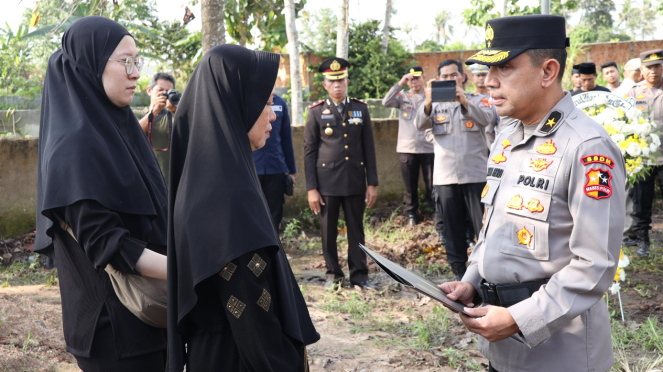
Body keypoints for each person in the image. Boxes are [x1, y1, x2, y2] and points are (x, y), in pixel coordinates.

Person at [441, 15, 625, 372]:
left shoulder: (586, 148)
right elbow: (493, 228)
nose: (489, 81)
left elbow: (594, 264)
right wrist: (471, 281)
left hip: (559, 355)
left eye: (505, 68)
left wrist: (519, 318)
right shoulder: (508, 135)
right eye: (488, 69)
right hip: (504, 349)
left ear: (548, 71)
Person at [166, 44, 319, 371]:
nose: (274, 114)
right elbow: (251, 314)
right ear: (236, 106)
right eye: (265, 103)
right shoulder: (226, 197)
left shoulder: (210, 181)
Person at [34, 16, 169, 371]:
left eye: (137, 61)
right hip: (114, 332)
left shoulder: (120, 127)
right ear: (90, 65)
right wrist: (187, 268)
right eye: (125, 61)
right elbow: (109, 243)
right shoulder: (74, 147)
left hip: (150, 318)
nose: (136, 73)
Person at [415, 59, 495, 281]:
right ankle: (459, 272)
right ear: (438, 80)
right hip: (446, 177)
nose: (449, 80)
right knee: (452, 228)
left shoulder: (478, 100)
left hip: (475, 174)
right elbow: (419, 125)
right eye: (444, 77)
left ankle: (484, 271)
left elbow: (487, 119)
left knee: (483, 228)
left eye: (454, 75)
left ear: (463, 77)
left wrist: (464, 102)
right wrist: (429, 101)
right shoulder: (432, 105)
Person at [304, 57, 379, 291]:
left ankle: (360, 276)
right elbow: (309, 152)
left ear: (347, 82)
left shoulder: (360, 109)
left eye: (341, 81)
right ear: (325, 84)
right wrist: (311, 189)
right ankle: (333, 274)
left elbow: (369, 148)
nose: (337, 85)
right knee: (328, 233)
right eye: (332, 82)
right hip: (326, 184)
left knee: (356, 231)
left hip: (355, 180)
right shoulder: (316, 112)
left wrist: (372, 183)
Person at [382, 66, 434, 227]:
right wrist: (400, 83)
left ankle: (436, 213)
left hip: (429, 147)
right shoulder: (403, 96)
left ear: (424, 78)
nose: (414, 82)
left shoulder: (430, 96)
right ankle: (412, 214)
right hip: (407, 149)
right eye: (411, 79)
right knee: (409, 186)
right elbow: (386, 102)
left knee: (433, 184)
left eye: (417, 78)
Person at [625, 49, 663, 257]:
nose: (653, 71)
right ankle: (643, 242)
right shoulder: (633, 92)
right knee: (641, 204)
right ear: (642, 70)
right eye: (649, 67)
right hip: (642, 160)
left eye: (657, 66)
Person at [252, 90, 297, 230]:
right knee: (253, 214)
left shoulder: (280, 103)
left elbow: (286, 139)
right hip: (253, 168)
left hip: (276, 168)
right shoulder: (250, 99)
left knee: (274, 215)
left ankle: (274, 250)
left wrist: (291, 170)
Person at [138, 72, 178, 184]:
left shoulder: (176, 116)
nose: (164, 94)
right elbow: (133, 134)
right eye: (160, 90)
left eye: (168, 91)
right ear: (149, 91)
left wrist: (177, 111)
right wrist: (155, 110)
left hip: (170, 181)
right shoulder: (136, 113)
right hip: (145, 180)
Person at [468, 63, 498, 146]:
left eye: (484, 75)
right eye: (478, 75)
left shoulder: (496, 96)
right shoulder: (469, 98)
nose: (481, 78)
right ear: (472, 78)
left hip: (494, 140)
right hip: (474, 143)